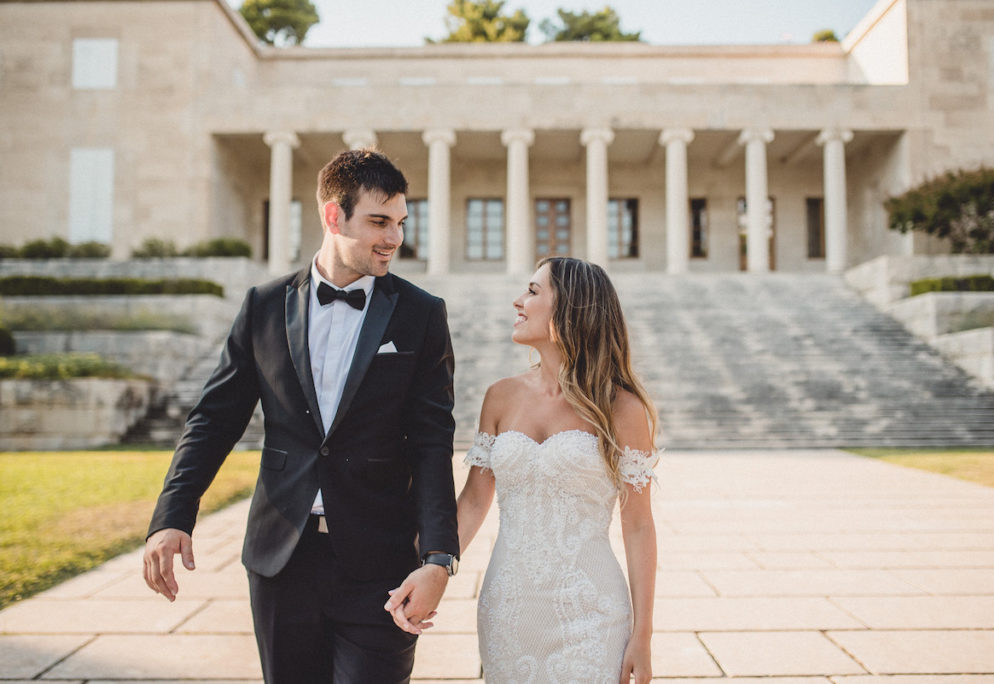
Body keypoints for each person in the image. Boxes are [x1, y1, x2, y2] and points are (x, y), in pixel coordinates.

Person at [143, 148, 461, 684]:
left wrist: (438, 557)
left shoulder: (421, 313)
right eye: (379, 221)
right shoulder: (263, 306)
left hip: (381, 566)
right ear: (333, 216)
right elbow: (214, 419)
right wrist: (172, 515)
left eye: (401, 223)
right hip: (280, 560)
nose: (394, 239)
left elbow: (433, 441)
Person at [390, 257, 658, 683]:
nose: (518, 301)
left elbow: (639, 524)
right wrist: (431, 567)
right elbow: (475, 501)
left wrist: (642, 635)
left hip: (592, 610)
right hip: (509, 608)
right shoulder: (501, 396)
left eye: (533, 292)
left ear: (571, 308)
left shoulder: (622, 408)